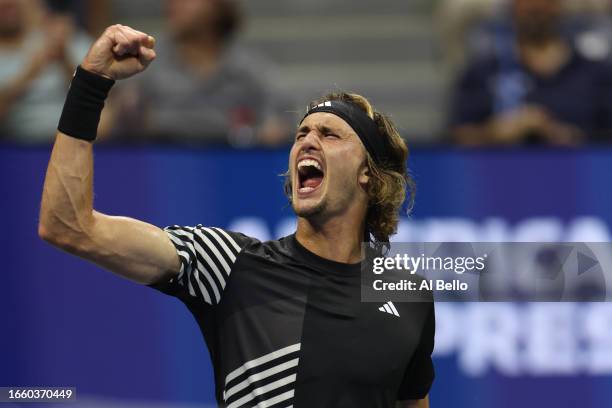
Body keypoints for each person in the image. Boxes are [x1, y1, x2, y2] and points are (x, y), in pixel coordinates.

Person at [38, 24, 434, 408]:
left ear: (369, 172)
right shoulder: (228, 264)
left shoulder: (409, 295)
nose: (307, 141)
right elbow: (68, 225)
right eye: (301, 134)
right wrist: (90, 82)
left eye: (330, 135)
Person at [115, 0, 292, 146]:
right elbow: (110, 123)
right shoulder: (144, 62)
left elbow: (278, 127)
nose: (173, 4)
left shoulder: (251, 71)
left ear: (218, 7)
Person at [448, 0, 612, 145]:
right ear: (512, 6)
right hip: (501, 174)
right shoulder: (482, 72)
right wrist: (494, 133)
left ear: (558, 5)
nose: (534, 6)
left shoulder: (596, 73)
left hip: (581, 173)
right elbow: (456, 137)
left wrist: (569, 137)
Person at [0, 0, 96, 143]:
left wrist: (64, 58)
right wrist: (30, 74)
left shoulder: (62, 37)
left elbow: (98, 92)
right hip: (21, 144)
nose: (8, 3)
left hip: (82, 138)